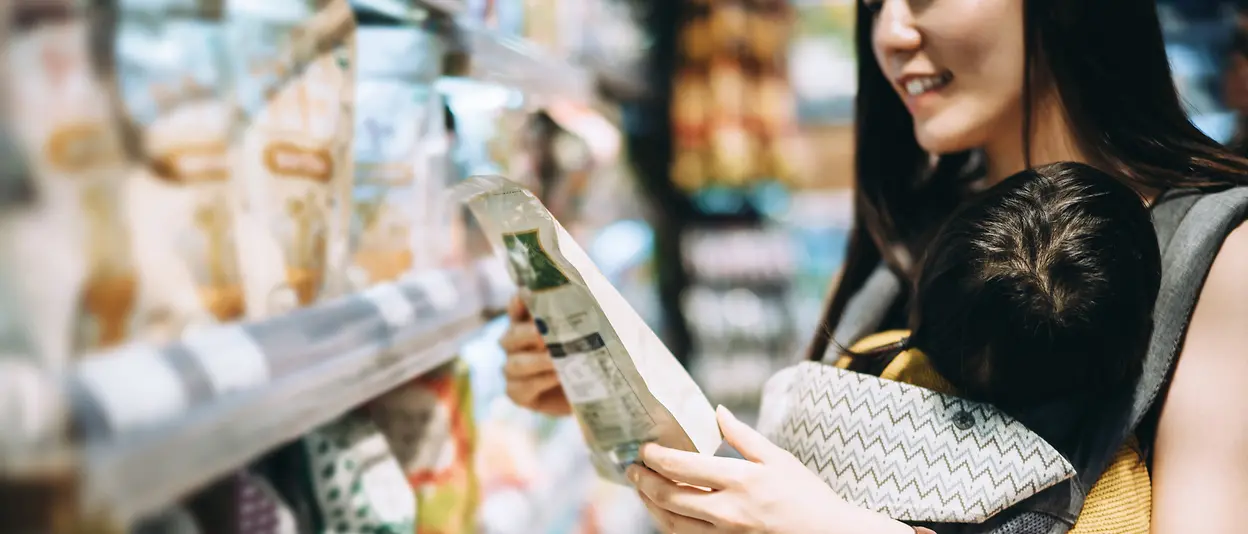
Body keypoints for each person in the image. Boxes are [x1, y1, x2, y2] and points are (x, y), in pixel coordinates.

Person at [499, 0, 1248, 532]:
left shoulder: (1215, 255)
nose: (890, 31)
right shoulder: (900, 245)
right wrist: (620, 405)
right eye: (873, 0)